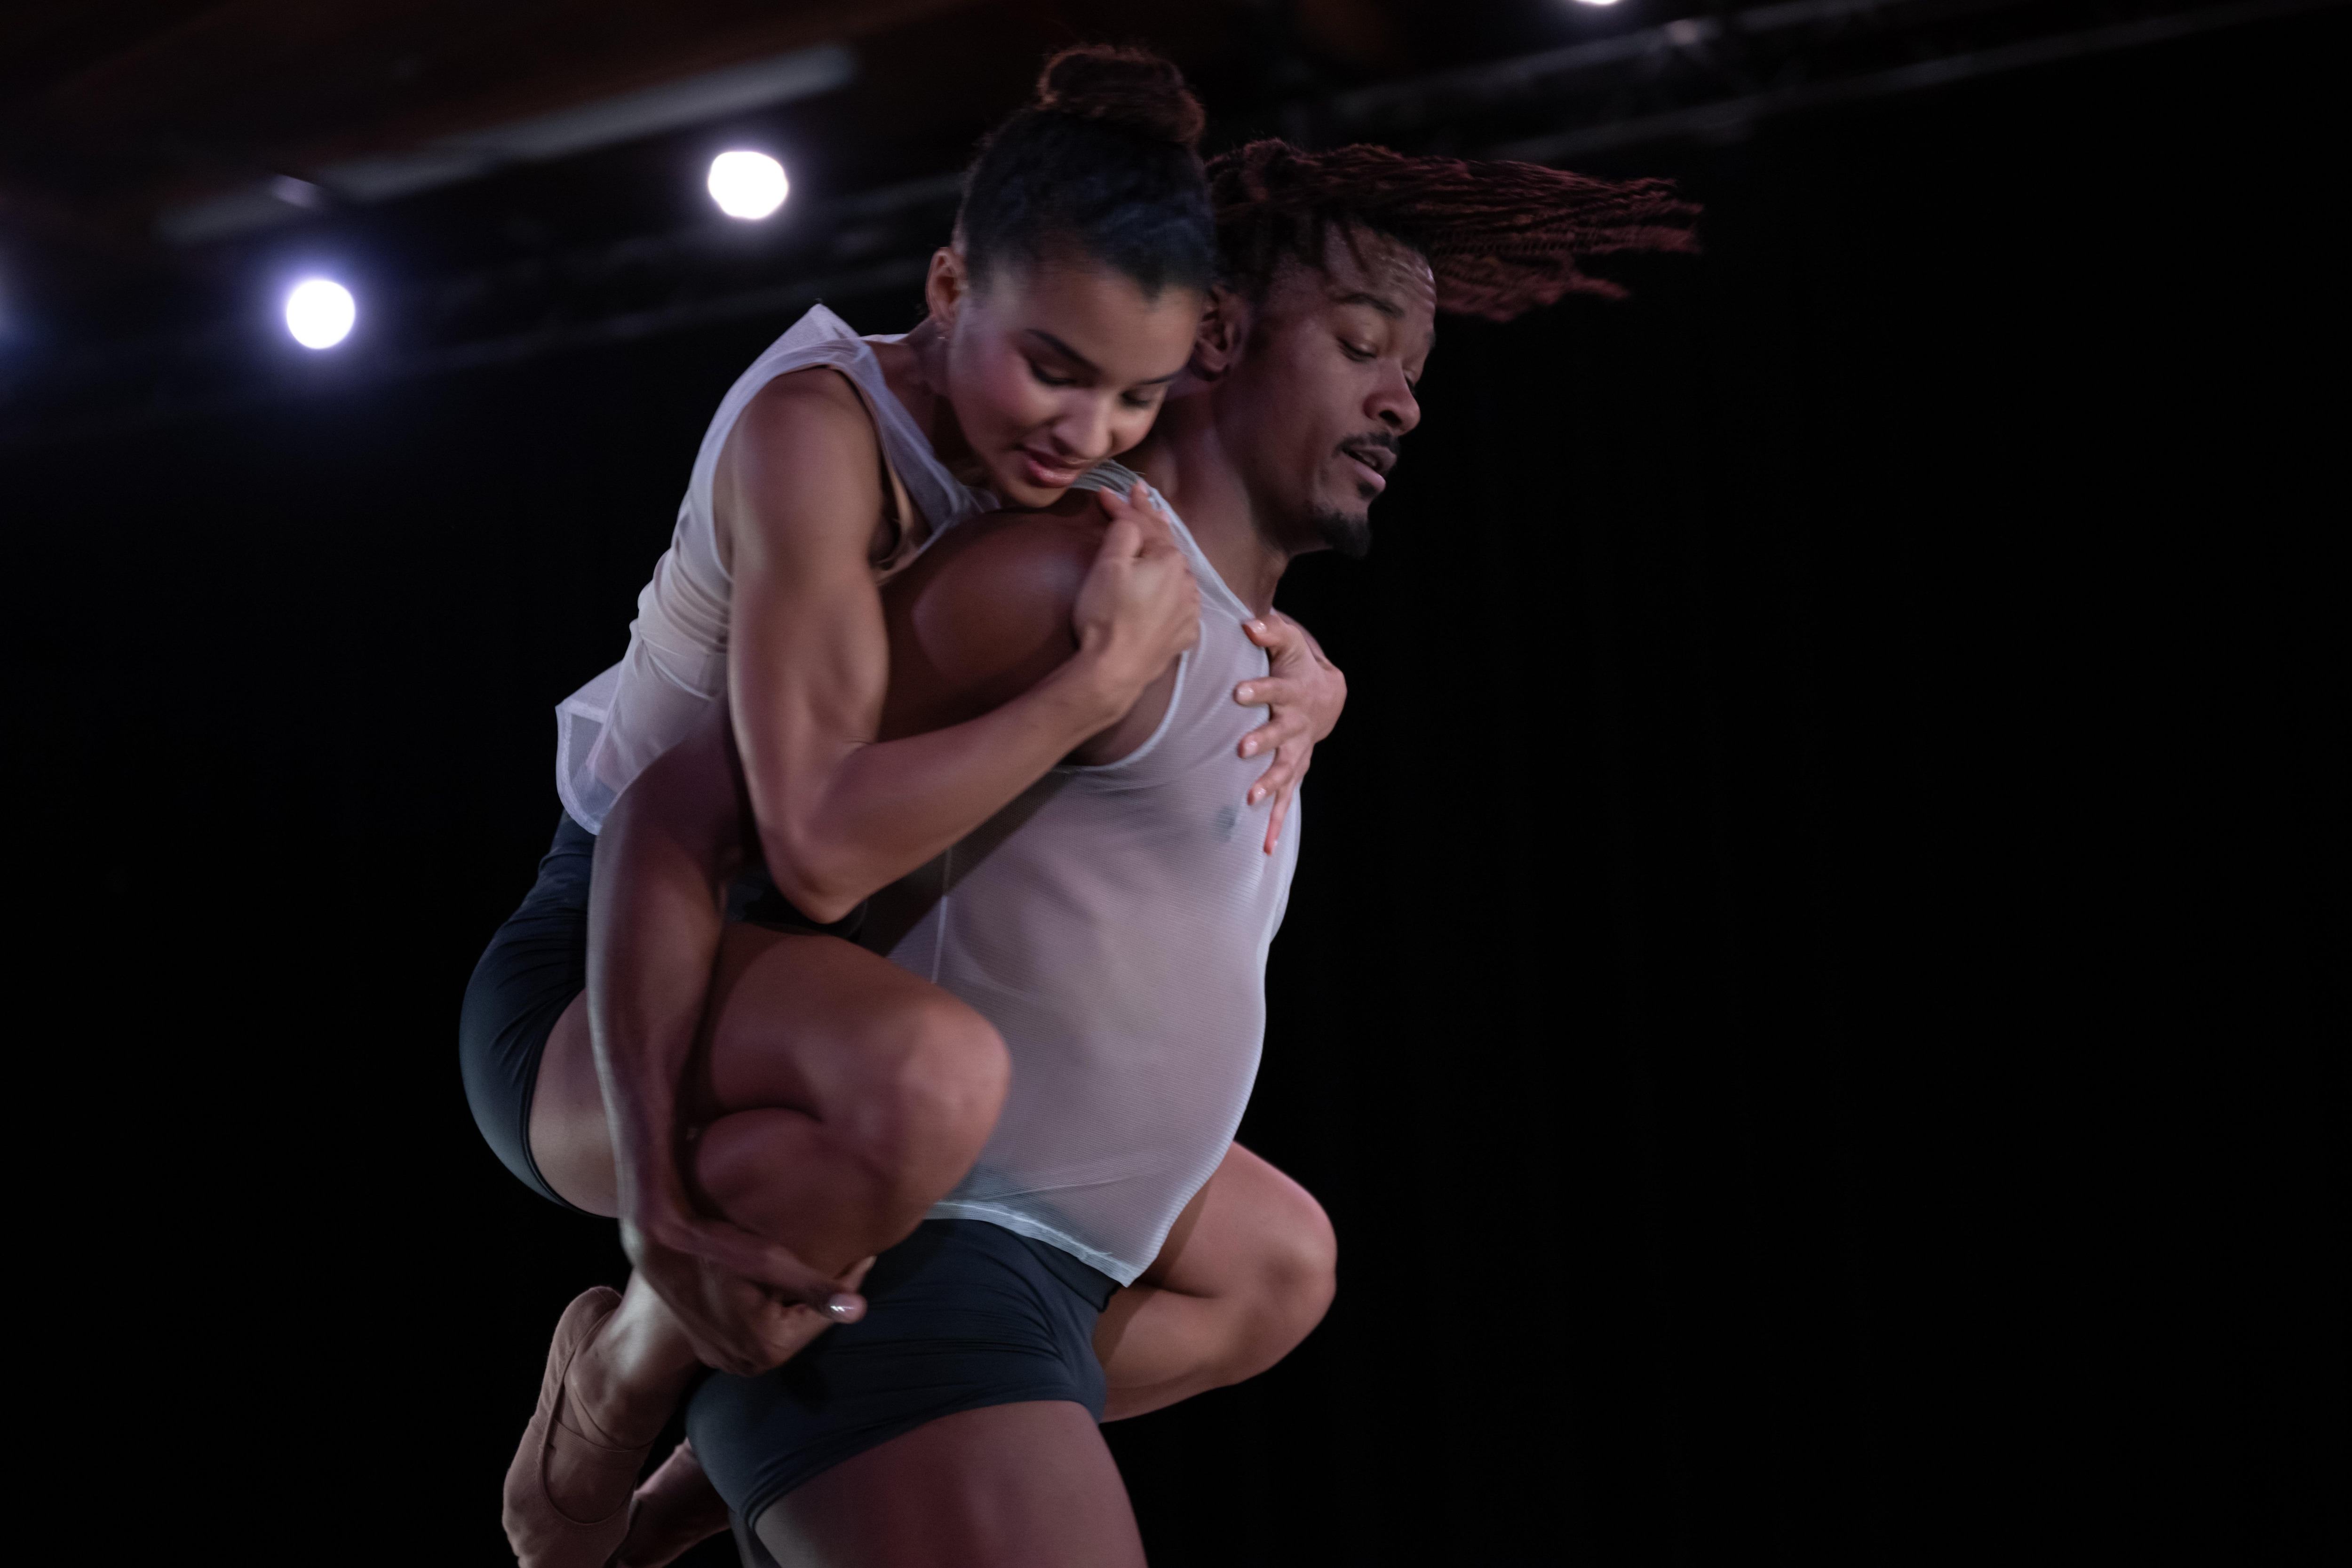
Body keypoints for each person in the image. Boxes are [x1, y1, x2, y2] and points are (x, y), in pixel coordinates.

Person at [588, 141, 1701, 1566]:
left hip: (1063, 1294)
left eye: (1411, 363)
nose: (1404, 397)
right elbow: (689, 810)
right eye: (1362, 345)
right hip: (935, 1279)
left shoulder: (1248, 649)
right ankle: (673, 1369)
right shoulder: (1065, 583)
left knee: (1286, 1267)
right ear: (1221, 337)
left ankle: (697, 1470)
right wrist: (658, 1207)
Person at [464, 48, 1353, 1568]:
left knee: (1275, 1265)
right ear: (950, 286)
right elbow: (788, 845)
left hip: (796, 996)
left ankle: (683, 1500)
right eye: (1053, 369)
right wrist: (1078, 696)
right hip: (618, 961)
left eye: (1137, 397)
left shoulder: (1072, 482)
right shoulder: (814, 433)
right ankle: (610, 1386)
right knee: (937, 1081)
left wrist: (1313, 679)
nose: (1084, 433)